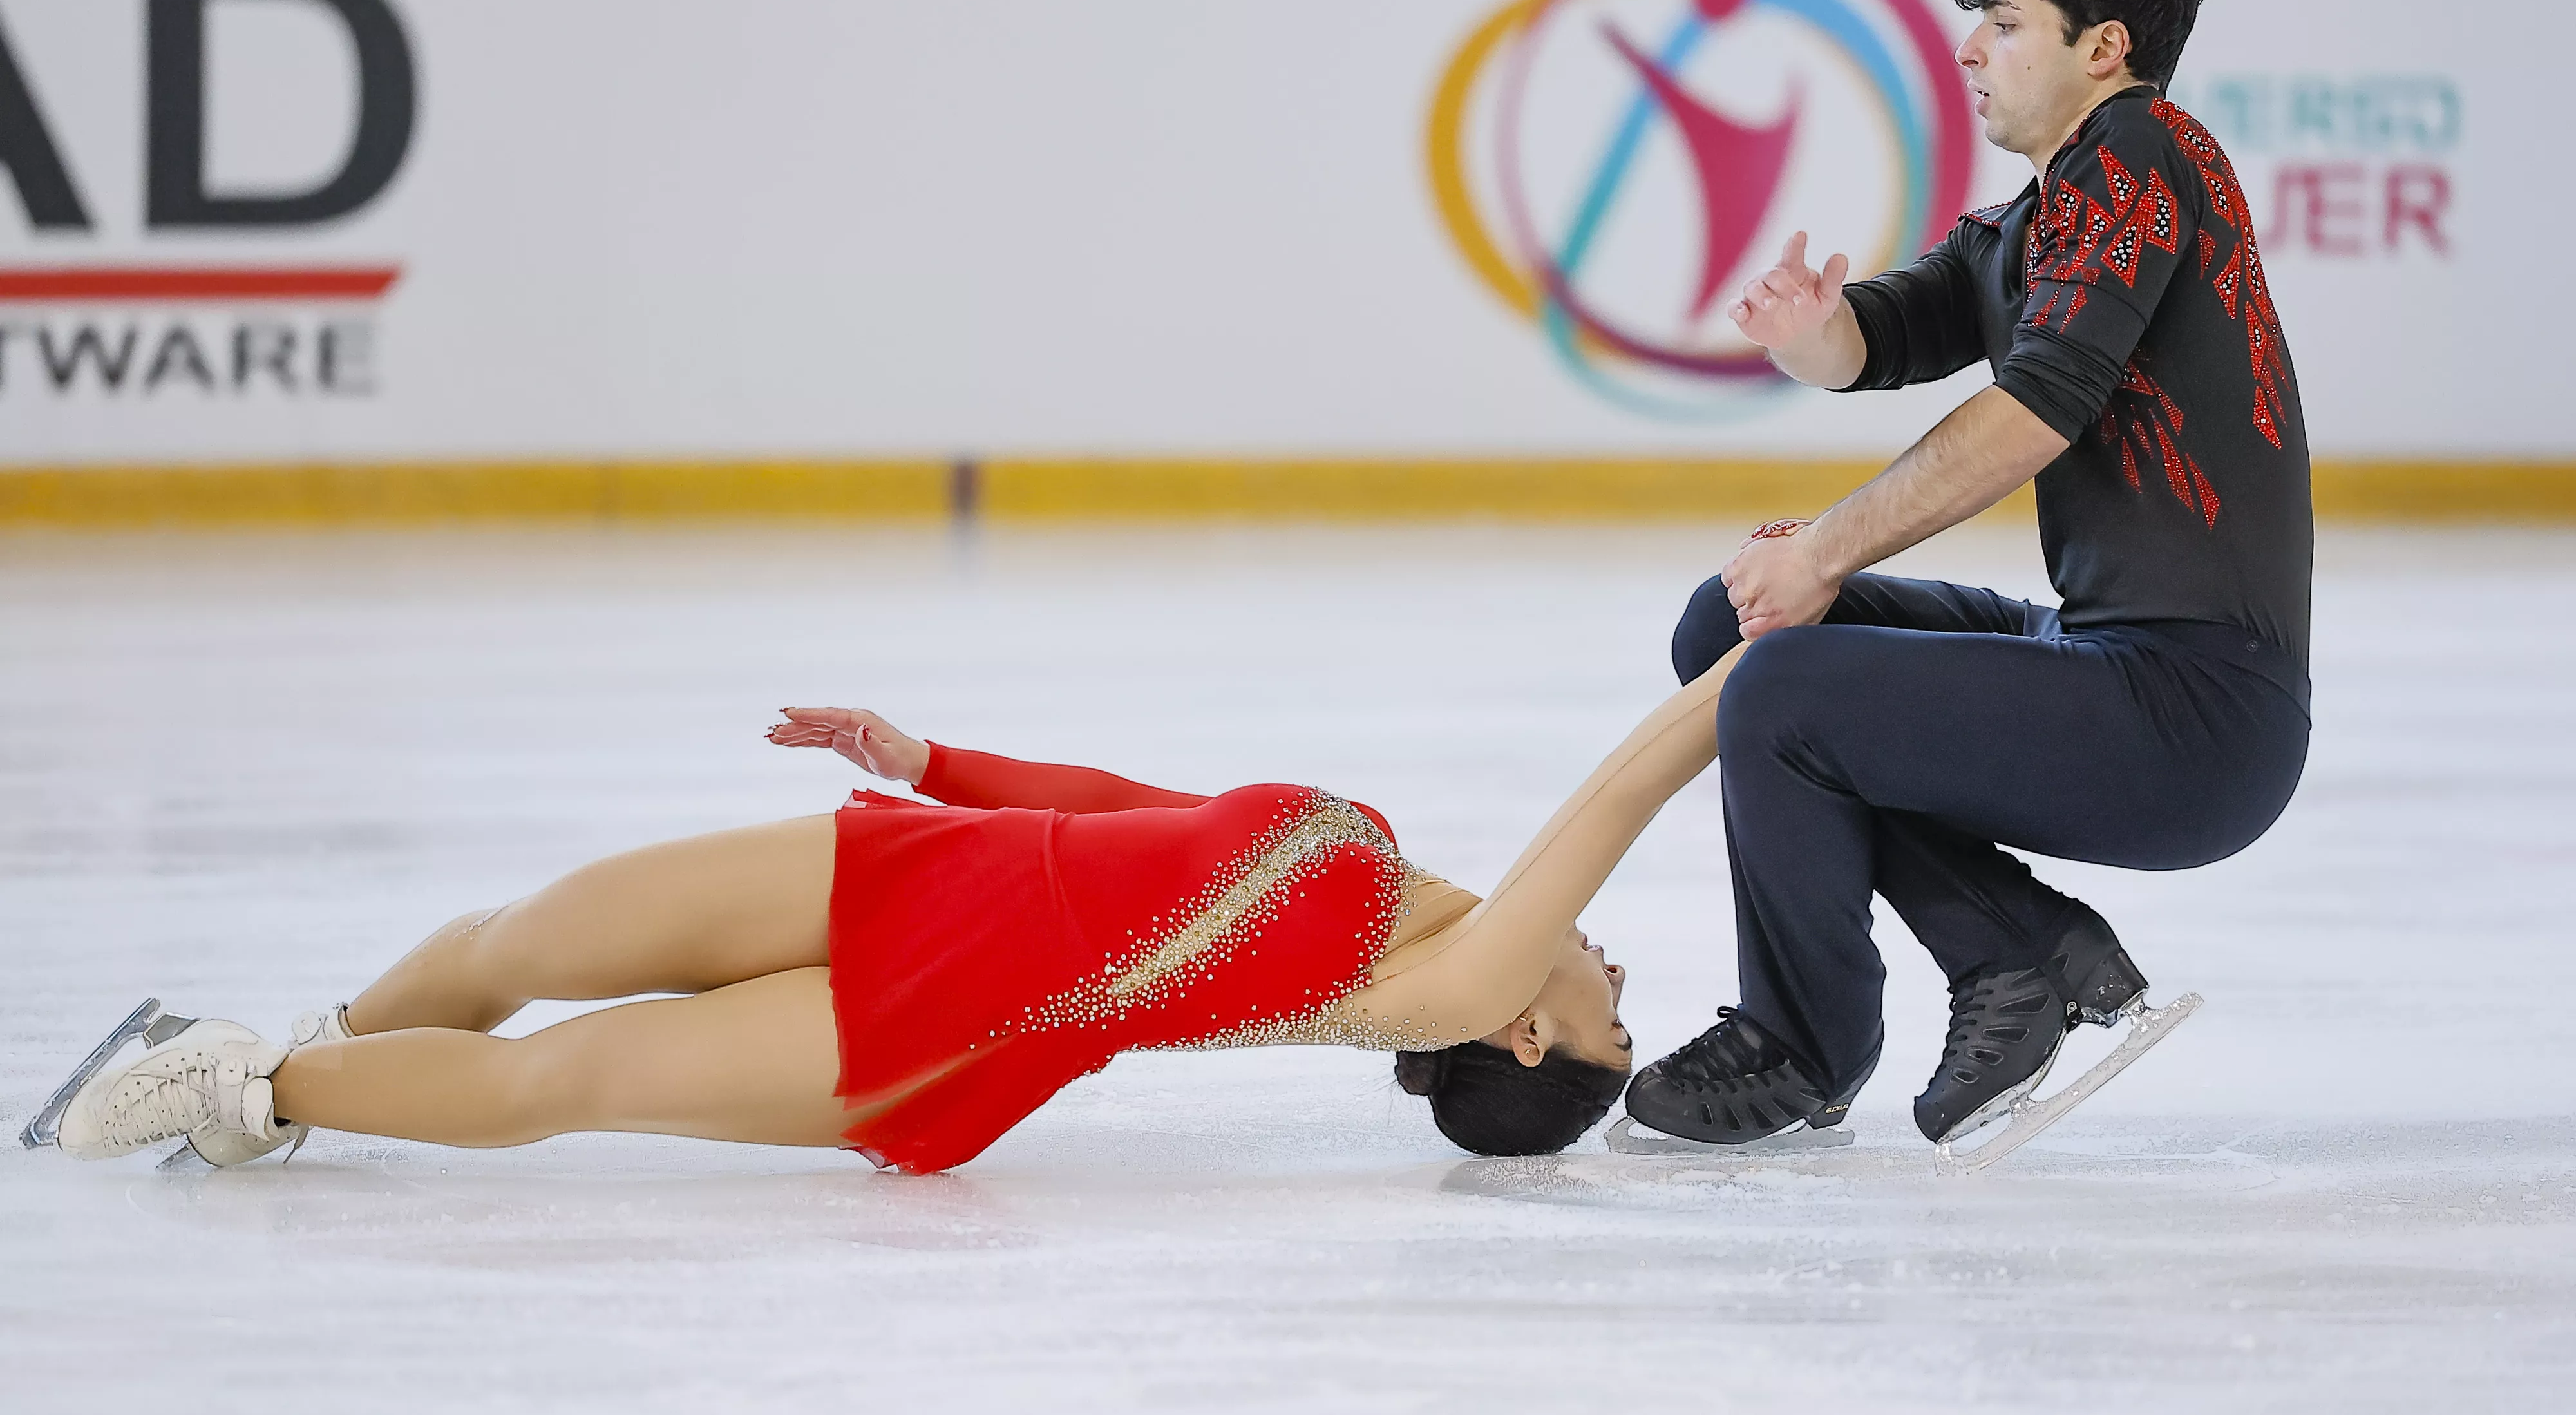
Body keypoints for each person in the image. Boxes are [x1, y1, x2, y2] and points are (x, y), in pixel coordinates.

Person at [38, 658, 1746, 1173]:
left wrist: (1756, 669)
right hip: (908, 873)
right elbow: (1130, 812)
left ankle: (245, 1084)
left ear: (1522, 1033)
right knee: (524, 937)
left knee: (574, 1076)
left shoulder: (1446, 987)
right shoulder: (1373, 860)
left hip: (948, 1024)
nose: (1609, 974)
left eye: (1603, 1010)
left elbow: (1609, 802)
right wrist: (940, 760)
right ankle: (341, 1056)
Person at [1624, 0, 2311, 1150]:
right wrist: (1816, 334)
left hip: (2195, 714)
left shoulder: (2145, 157)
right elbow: (1892, 330)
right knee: (1727, 634)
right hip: (2103, 660)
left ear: (2101, 47)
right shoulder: (2042, 215)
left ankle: (1804, 1040)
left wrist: (1826, 546)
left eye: (2001, 21)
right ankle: (2018, 950)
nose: (1967, 50)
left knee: (1776, 686)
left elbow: (2036, 407)